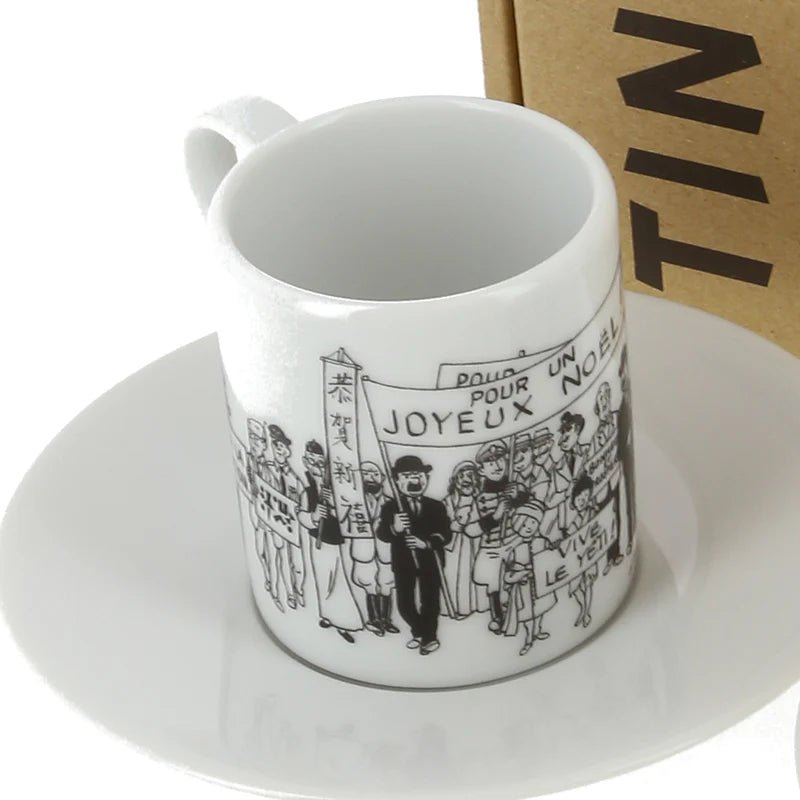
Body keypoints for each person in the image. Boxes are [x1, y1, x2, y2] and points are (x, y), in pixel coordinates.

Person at [377, 455, 452, 655]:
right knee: (404, 604)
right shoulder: (391, 507)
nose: (415, 480)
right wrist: (395, 528)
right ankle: (419, 631)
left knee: (430, 603)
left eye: (419, 475)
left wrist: (426, 544)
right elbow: (382, 534)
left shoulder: (436, 506)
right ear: (397, 480)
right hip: (404, 562)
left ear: (426, 478)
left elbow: (445, 534)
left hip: (431, 561)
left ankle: (429, 639)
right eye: (408, 475)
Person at [298, 440, 363, 643]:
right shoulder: (308, 492)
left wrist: (334, 505)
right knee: (323, 578)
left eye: (320, 463)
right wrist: (314, 516)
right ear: (305, 462)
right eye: (312, 462)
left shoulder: (336, 490)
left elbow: (348, 513)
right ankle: (327, 615)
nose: (316, 467)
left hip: (337, 540)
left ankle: (344, 620)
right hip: (318, 541)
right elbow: (302, 515)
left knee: (339, 579)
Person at [472, 440, 529, 633]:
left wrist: (518, 498)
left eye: (500, 460)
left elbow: (529, 510)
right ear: (482, 470)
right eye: (490, 463)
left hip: (514, 539)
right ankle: (497, 615)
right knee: (492, 577)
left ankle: (523, 609)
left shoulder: (515, 487)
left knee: (523, 564)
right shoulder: (481, 498)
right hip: (493, 545)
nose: (496, 465)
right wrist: (496, 516)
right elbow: (480, 526)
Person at [502, 501, 558, 655]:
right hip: (523, 588)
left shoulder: (541, 541)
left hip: (541, 584)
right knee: (528, 615)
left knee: (541, 609)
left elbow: (552, 559)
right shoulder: (513, 547)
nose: (528, 527)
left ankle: (537, 631)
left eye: (533, 523)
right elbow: (507, 574)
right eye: (524, 522)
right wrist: (520, 574)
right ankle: (528, 640)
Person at [350, 461, 399, 635]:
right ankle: (373, 620)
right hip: (364, 551)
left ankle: (386, 620)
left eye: (374, 474)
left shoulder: (392, 503)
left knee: (386, 584)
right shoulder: (353, 501)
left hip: (386, 552)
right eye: (365, 474)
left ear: (383, 478)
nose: (370, 478)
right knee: (368, 583)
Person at [266, 424, 306, 610]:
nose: (281, 451)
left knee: (298, 563)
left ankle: (300, 590)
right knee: (282, 559)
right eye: (278, 446)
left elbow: (302, 495)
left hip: (294, 525)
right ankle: (289, 593)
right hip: (276, 523)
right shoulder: (268, 470)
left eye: (283, 446)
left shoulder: (292, 475)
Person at [442, 461, 486, 619]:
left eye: (471, 476)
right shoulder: (447, 502)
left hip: (475, 544)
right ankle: (457, 607)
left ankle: (478, 606)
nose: (466, 480)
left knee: (475, 573)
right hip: (454, 547)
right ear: (455, 481)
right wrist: (450, 526)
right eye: (462, 476)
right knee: (455, 576)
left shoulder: (480, 501)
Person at [591, 381, 622, 574]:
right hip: (600, 487)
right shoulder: (595, 437)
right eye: (600, 400)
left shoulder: (617, 419)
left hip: (614, 478)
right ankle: (607, 559)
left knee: (616, 514)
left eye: (605, 398)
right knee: (604, 520)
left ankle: (615, 553)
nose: (603, 403)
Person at [562, 474, 599, 628]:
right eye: (580, 497)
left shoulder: (591, 513)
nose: (582, 500)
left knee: (588, 584)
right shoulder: (574, 520)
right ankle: (584, 608)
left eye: (586, 497)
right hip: (577, 559)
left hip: (588, 555)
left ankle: (587, 612)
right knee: (575, 588)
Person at [245, 419, 275, 602]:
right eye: (253, 439)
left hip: (269, 512)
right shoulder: (248, 460)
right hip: (256, 507)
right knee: (259, 545)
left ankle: (271, 579)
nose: (256, 444)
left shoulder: (268, 467)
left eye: (260, 440)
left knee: (269, 546)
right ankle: (265, 575)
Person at [547, 412, 590, 535]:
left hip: (588, 518)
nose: (561, 441)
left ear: (577, 431)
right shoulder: (556, 466)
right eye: (561, 434)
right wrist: (566, 492)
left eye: (567, 435)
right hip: (566, 528)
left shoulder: (588, 453)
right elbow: (549, 502)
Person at [617, 346, 636, 555]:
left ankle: (626, 542)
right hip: (619, 465)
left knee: (626, 504)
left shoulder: (622, 403)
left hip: (622, 465)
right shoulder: (620, 405)